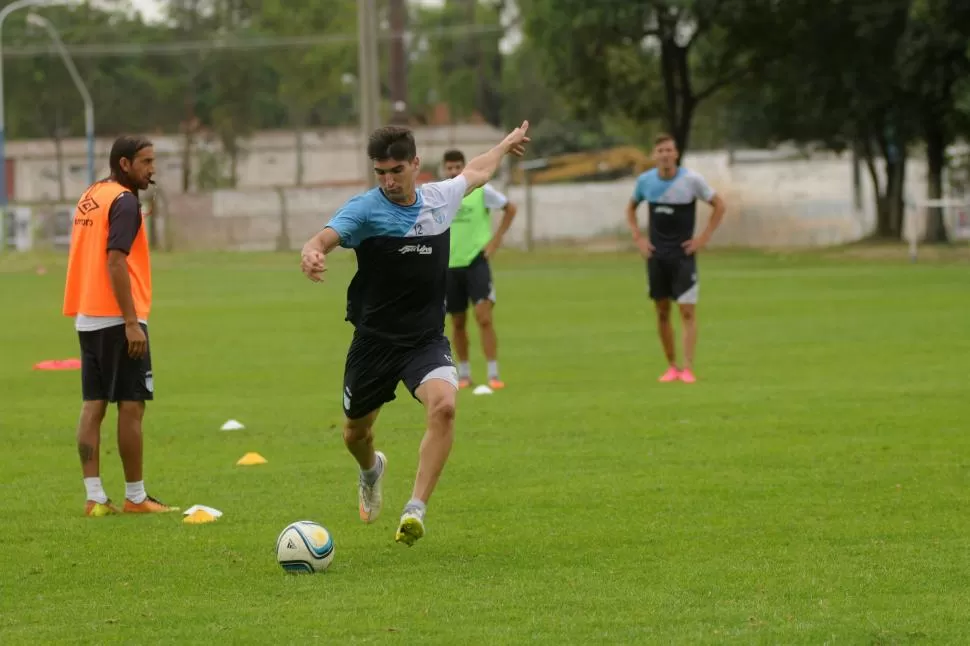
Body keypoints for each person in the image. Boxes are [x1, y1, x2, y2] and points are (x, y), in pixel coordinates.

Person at [300, 122, 530, 546]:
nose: (388, 181)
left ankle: (415, 509)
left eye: (397, 170)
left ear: (416, 165)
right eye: (380, 172)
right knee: (355, 434)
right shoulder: (365, 210)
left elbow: (478, 171)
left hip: (424, 339)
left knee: (444, 407)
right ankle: (371, 471)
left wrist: (503, 145)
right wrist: (312, 251)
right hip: (373, 342)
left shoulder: (440, 198)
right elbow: (325, 236)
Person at [62, 135, 176, 516]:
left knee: (93, 405)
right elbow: (114, 261)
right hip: (117, 317)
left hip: (88, 315)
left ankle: (94, 498)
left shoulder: (92, 193)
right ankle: (136, 496)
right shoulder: (125, 201)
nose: (152, 169)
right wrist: (131, 323)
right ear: (124, 164)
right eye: (146, 161)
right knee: (132, 406)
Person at [626, 133, 726, 383]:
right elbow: (630, 208)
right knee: (661, 311)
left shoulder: (692, 180)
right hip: (656, 256)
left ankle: (688, 368)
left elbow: (719, 205)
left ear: (676, 153)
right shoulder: (645, 182)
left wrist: (703, 238)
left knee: (687, 311)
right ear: (654, 155)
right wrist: (638, 238)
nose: (665, 155)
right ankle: (671, 366)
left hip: (683, 256)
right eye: (660, 151)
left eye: (669, 150)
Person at [440, 149, 518, 390]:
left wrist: (495, 241)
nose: (453, 171)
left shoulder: (481, 191)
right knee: (458, 321)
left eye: (457, 167)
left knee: (484, 317)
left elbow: (510, 208)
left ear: (464, 167)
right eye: (449, 167)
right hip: (450, 265)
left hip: (476, 261)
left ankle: (493, 374)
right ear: (444, 169)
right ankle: (464, 374)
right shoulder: (441, 194)